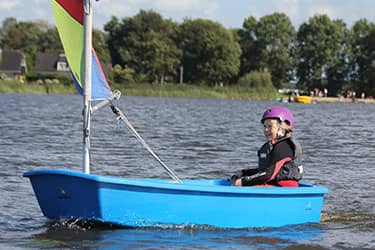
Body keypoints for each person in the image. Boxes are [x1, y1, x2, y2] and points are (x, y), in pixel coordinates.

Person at [231, 106, 303, 187]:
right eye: (265, 126)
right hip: (272, 185)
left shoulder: (284, 147)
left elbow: (268, 175)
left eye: (270, 126)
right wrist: (243, 173)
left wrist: (242, 182)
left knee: (243, 185)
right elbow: (264, 171)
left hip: (285, 189)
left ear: (282, 128)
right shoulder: (271, 146)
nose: (265, 129)